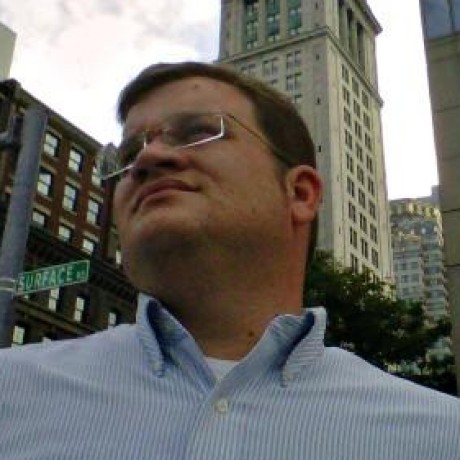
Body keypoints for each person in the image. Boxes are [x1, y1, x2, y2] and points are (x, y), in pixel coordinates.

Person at [1, 61, 459, 460]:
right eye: (129, 154)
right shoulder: (10, 391)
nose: (149, 158)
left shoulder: (442, 436)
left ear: (301, 194)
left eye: (198, 132)